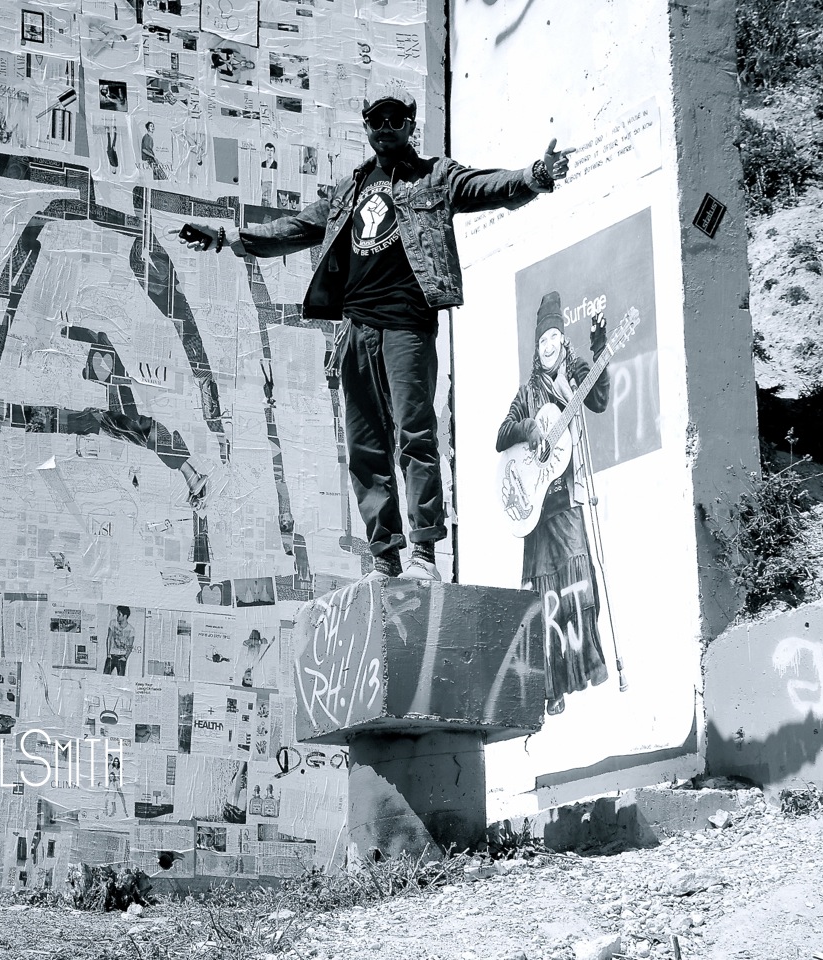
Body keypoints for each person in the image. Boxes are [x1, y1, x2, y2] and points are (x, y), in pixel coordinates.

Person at [182, 86, 573, 580]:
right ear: (366, 125)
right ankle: (384, 557)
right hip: (357, 328)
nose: (386, 127)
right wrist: (226, 237)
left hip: (406, 324)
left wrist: (535, 176)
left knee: (415, 435)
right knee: (365, 447)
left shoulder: (434, 176)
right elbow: (296, 228)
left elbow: (485, 186)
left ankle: (424, 555)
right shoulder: (350, 190)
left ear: (410, 124)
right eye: (377, 119)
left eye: (395, 119)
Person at [495, 292, 611, 715]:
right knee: (545, 596)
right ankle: (552, 684)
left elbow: (598, 401)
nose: (548, 346)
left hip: (567, 501)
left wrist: (600, 347)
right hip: (536, 510)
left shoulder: (575, 376)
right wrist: (528, 429)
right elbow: (502, 436)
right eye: (542, 340)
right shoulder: (526, 393)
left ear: (563, 339)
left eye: (553, 337)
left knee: (578, 583)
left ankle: (587, 664)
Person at [103, 604, 135, 675]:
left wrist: (125, 657)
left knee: (120, 679)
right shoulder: (113, 623)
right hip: (111, 655)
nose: (117, 615)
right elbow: (109, 638)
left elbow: (130, 646)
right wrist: (108, 654)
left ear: (125, 616)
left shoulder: (131, 629)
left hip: (121, 657)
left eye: (119, 614)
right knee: (105, 676)